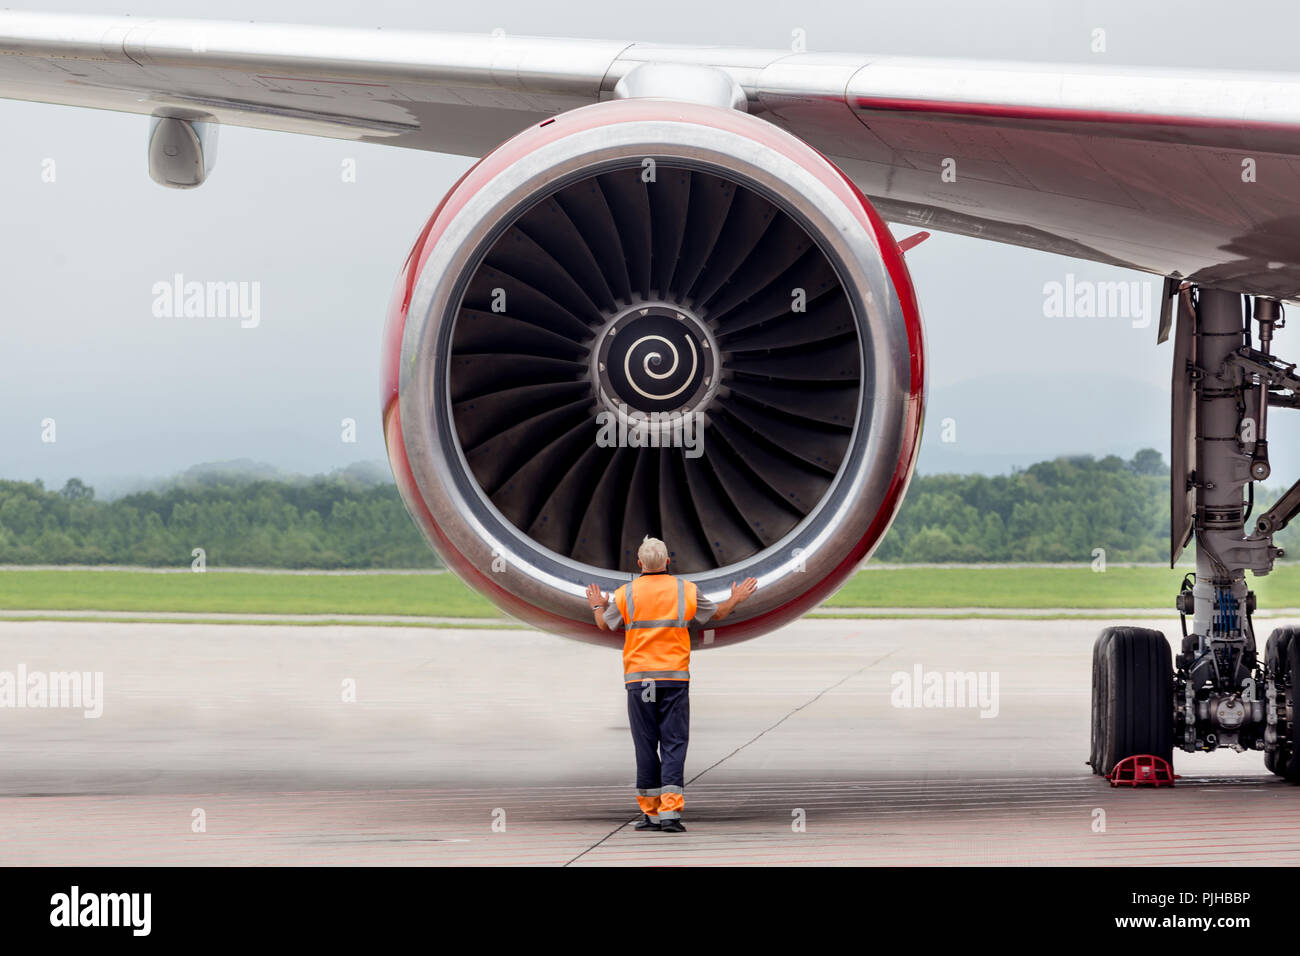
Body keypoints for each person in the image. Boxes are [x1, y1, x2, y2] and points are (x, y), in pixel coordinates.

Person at [586, 536, 758, 833]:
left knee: (645, 744)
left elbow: (605, 625)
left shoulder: (626, 594)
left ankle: (650, 815)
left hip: (640, 680)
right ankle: (670, 813)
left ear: (639, 564)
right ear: (668, 562)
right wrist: (736, 599)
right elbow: (714, 615)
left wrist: (597, 605)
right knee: (674, 743)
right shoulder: (685, 590)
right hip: (673, 678)